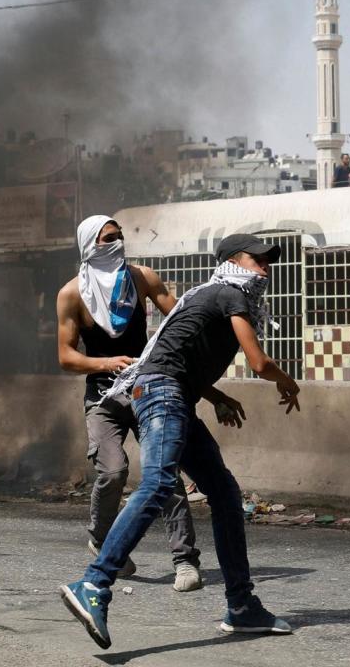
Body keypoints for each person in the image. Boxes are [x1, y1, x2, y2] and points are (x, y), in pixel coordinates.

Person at [61, 233, 301, 650]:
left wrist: (217, 395)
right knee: (156, 484)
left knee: (225, 493)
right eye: (256, 258)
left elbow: (179, 356)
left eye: (269, 260)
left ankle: (242, 607)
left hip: (169, 392)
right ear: (232, 261)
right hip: (162, 394)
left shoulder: (212, 294)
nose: (265, 266)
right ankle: (94, 584)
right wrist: (287, 382)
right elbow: (259, 362)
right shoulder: (230, 292)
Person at [57, 216, 237, 593]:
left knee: (164, 474)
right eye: (108, 239)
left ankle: (185, 560)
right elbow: (66, 357)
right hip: (103, 396)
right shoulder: (72, 294)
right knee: (113, 472)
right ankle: (102, 539)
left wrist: (214, 387)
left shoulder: (141, 279)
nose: (117, 244)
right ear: (89, 246)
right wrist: (107, 363)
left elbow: (183, 328)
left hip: (147, 388)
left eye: (120, 237)